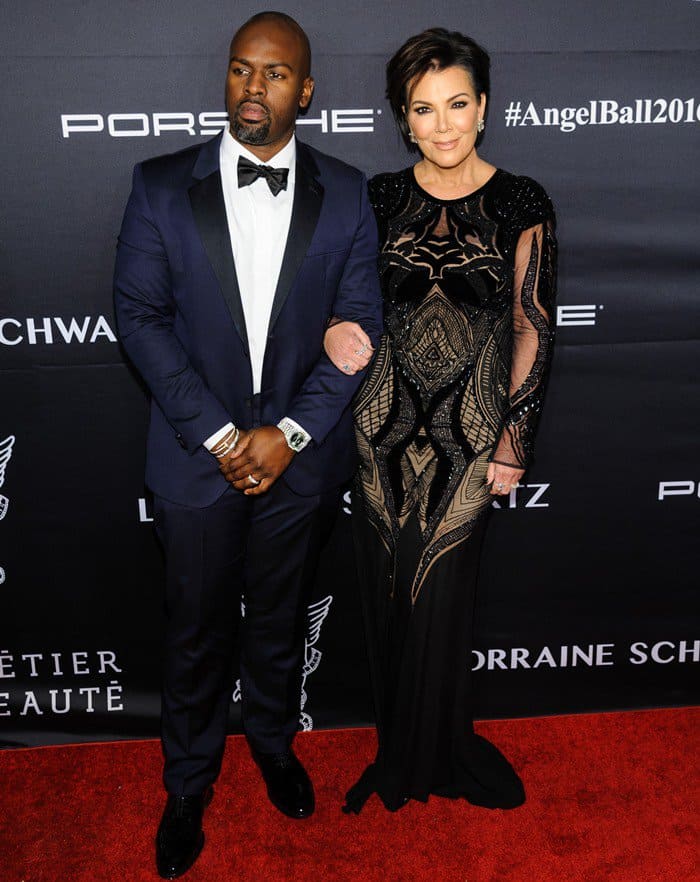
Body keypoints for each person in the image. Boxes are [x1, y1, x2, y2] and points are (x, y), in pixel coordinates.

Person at [113, 11, 382, 878]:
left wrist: (291, 435)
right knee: (194, 630)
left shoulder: (347, 192)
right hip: (199, 458)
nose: (252, 88)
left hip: (300, 466)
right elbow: (142, 320)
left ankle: (271, 744)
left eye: (274, 75)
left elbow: (361, 327)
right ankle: (188, 783)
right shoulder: (159, 185)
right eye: (240, 70)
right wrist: (230, 436)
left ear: (305, 91)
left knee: (276, 619)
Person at [330, 27, 557, 814]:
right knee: (390, 595)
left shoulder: (521, 201)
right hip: (380, 432)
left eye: (458, 103)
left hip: (469, 436)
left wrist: (513, 441)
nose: (444, 124)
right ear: (404, 118)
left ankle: (439, 752)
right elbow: (346, 304)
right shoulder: (379, 196)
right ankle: (400, 753)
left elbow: (533, 326)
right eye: (424, 109)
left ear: (484, 106)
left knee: (441, 600)